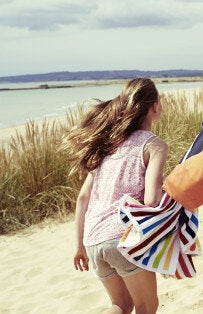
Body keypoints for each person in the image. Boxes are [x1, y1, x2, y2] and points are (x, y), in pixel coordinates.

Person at [66, 78, 168, 314]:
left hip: (92, 239)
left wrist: (79, 245)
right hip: (123, 237)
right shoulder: (154, 145)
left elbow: (83, 198)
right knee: (147, 306)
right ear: (155, 106)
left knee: (120, 305)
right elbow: (152, 200)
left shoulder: (108, 144)